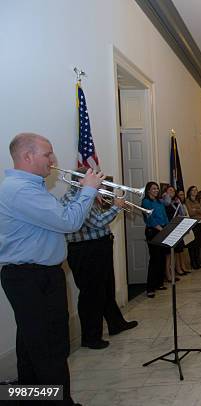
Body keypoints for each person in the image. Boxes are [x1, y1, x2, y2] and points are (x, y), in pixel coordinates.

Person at [0, 133, 104, 405]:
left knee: (31, 346)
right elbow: (69, 222)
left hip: (36, 275)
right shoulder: (20, 190)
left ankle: (28, 397)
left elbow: (56, 220)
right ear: (27, 156)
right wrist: (89, 190)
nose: (53, 159)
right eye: (47, 154)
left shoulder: (31, 188)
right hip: (31, 277)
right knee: (50, 347)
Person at [62, 170, 138, 350]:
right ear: (81, 180)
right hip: (86, 251)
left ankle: (115, 323)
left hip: (99, 246)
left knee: (106, 288)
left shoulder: (85, 196)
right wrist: (117, 206)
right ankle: (90, 337)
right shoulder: (75, 199)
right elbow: (97, 222)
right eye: (95, 178)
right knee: (92, 294)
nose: (99, 182)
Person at [141, 181, 170, 298]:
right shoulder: (146, 202)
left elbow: (164, 215)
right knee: (155, 259)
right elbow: (149, 218)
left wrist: (167, 227)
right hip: (153, 231)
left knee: (162, 258)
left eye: (157, 189)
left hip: (163, 229)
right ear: (148, 190)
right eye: (153, 189)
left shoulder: (159, 202)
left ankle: (159, 283)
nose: (156, 190)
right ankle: (150, 288)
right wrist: (159, 228)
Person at [185, 186, 201, 270]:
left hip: (200, 223)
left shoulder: (198, 200)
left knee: (198, 244)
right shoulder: (187, 201)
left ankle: (198, 261)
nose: (195, 191)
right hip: (193, 224)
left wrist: (196, 209)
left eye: (196, 190)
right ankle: (193, 263)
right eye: (193, 190)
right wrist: (198, 209)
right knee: (193, 244)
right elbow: (190, 212)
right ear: (189, 192)